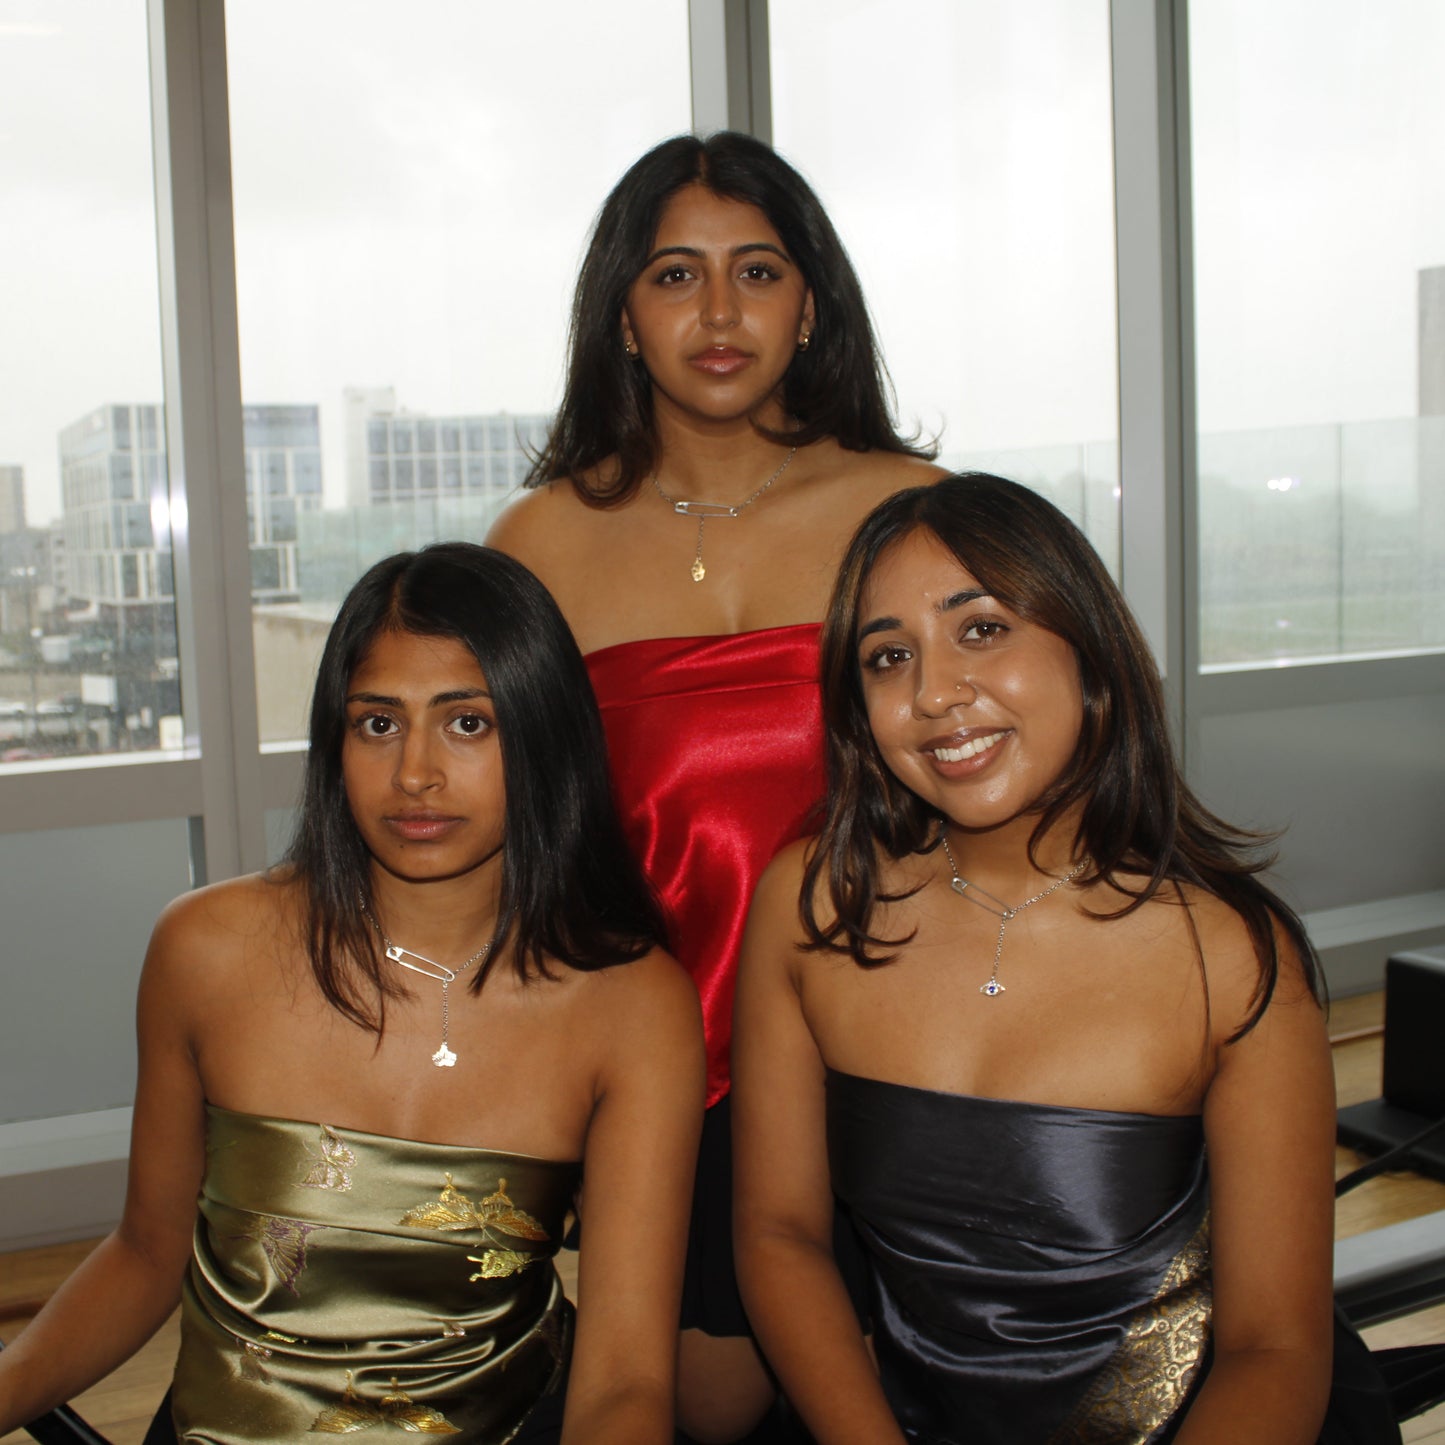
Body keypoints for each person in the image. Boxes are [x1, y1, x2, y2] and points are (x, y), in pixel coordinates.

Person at [732, 474, 1389, 1444]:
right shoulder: (815, 904)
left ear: (1085, 646)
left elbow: (1272, 1346)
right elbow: (778, 1231)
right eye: (887, 655)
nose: (933, 692)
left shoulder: (1229, 956)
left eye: (981, 628)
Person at [0, 544, 703, 1445]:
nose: (414, 772)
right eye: (378, 723)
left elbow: (625, 1382)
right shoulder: (205, 951)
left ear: (543, 734)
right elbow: (144, 1252)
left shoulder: (631, 1005)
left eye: (468, 723)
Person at [488, 129, 947, 1442]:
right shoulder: (543, 540)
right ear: (622, 318)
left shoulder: (910, 512)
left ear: (810, 304)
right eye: (675, 276)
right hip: (662, 1055)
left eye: (757, 271)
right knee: (701, 1406)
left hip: (892, 1030)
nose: (720, 312)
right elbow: (505, 829)